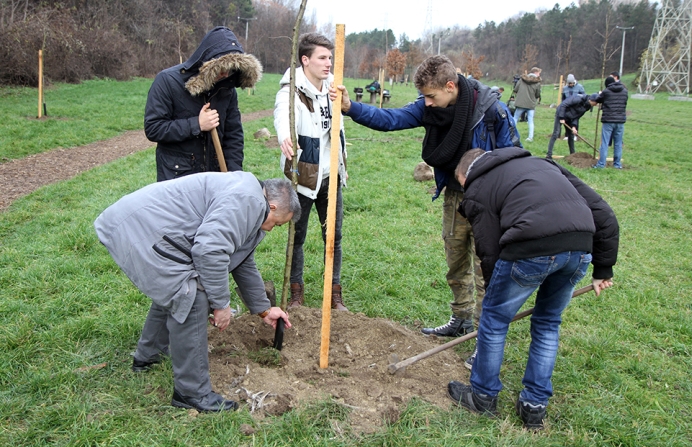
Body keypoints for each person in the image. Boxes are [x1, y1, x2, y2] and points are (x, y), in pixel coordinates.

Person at [336, 55, 521, 367]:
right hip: (455, 194)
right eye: (424, 97)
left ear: (450, 86)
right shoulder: (430, 106)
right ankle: (460, 317)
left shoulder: (490, 110)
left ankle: (483, 340)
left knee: (484, 269)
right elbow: (391, 119)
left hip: (489, 202)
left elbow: (514, 155)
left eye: (432, 96)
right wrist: (351, 108)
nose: (427, 103)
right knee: (456, 259)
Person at [94, 173, 300, 412]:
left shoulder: (252, 198)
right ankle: (191, 393)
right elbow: (210, 251)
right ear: (272, 205)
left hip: (145, 226)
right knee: (191, 295)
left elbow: (242, 260)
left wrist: (264, 309)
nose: (274, 228)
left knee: (176, 288)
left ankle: (148, 357)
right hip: (140, 229)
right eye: (278, 222)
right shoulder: (249, 201)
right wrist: (221, 305)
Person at [447, 147, 619, 429]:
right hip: (579, 249)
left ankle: (482, 396)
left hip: (530, 249)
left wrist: (494, 297)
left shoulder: (478, 185)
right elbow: (603, 212)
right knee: (548, 323)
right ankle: (534, 406)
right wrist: (603, 269)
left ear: (465, 174)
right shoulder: (544, 164)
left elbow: (488, 249)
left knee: (494, 321)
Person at [273, 33, 349, 311]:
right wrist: (284, 134)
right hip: (302, 177)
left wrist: (344, 99)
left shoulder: (333, 89)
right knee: (298, 236)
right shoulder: (290, 91)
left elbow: (339, 125)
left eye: (330, 57)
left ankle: (334, 294)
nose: (328, 63)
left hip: (331, 177)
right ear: (305, 60)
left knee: (334, 236)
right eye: (322, 58)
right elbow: (283, 114)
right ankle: (296, 294)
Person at [144, 26, 263, 181]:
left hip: (215, 178)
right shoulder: (168, 81)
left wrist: (234, 177)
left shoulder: (226, 89)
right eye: (221, 68)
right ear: (208, 62)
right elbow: (154, 128)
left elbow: (233, 136)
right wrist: (197, 125)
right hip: (177, 179)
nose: (226, 74)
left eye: (231, 69)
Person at [546, 93, 599, 159]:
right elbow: (563, 105)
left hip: (570, 117)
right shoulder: (578, 99)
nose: (596, 104)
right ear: (592, 100)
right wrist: (562, 117)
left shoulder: (587, 106)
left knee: (571, 135)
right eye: (596, 103)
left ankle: (573, 155)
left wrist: (574, 126)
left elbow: (577, 116)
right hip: (561, 113)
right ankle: (549, 154)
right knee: (556, 133)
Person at [593, 76, 628, 169]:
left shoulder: (606, 91)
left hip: (608, 120)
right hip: (620, 121)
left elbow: (598, 99)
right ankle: (617, 164)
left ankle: (601, 164)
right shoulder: (624, 91)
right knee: (618, 143)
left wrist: (600, 94)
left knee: (604, 142)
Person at [512, 67, 542, 142]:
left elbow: (515, 89)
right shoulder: (537, 83)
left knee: (515, 118)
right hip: (531, 104)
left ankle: (511, 134)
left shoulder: (522, 80)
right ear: (535, 72)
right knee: (530, 121)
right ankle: (530, 137)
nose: (539, 74)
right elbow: (538, 94)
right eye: (538, 73)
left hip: (521, 103)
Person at [561, 74, 586, 142]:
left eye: (571, 83)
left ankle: (575, 135)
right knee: (566, 121)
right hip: (567, 107)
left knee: (575, 121)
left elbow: (584, 96)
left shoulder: (580, 87)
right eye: (569, 83)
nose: (570, 84)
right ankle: (567, 135)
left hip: (576, 108)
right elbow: (563, 98)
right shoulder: (565, 88)